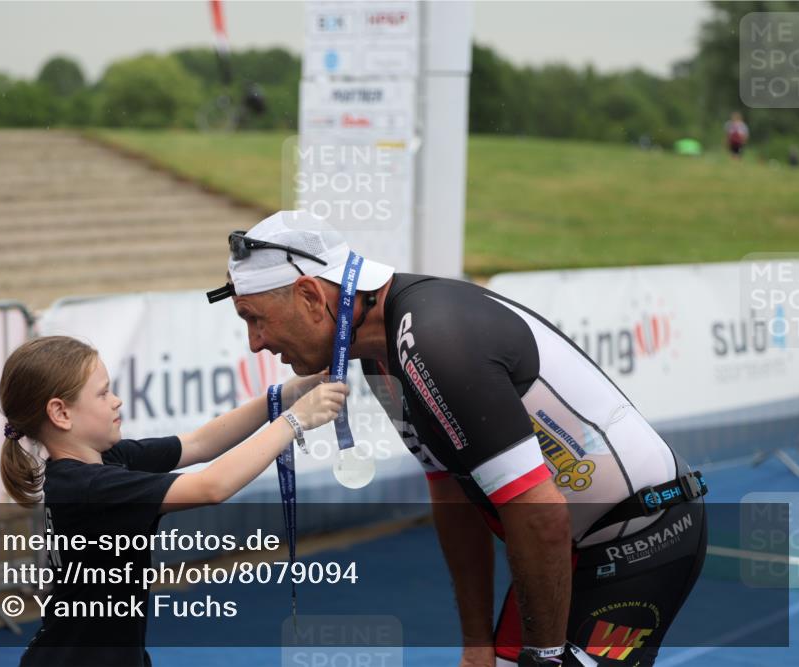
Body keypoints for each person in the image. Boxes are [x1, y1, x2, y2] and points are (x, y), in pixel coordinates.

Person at [207, 211, 708, 667]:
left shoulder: (434, 339)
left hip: (643, 536)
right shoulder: (379, 353)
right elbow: (451, 492)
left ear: (312, 297)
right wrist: (477, 646)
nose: (255, 342)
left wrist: (546, 656)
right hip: (570, 544)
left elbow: (540, 513)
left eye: (254, 318)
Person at [0, 335, 348, 667]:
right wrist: (294, 420)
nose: (116, 400)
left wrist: (282, 396)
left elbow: (199, 444)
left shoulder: (104, 460)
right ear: (61, 413)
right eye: (103, 394)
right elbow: (213, 487)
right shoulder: (91, 486)